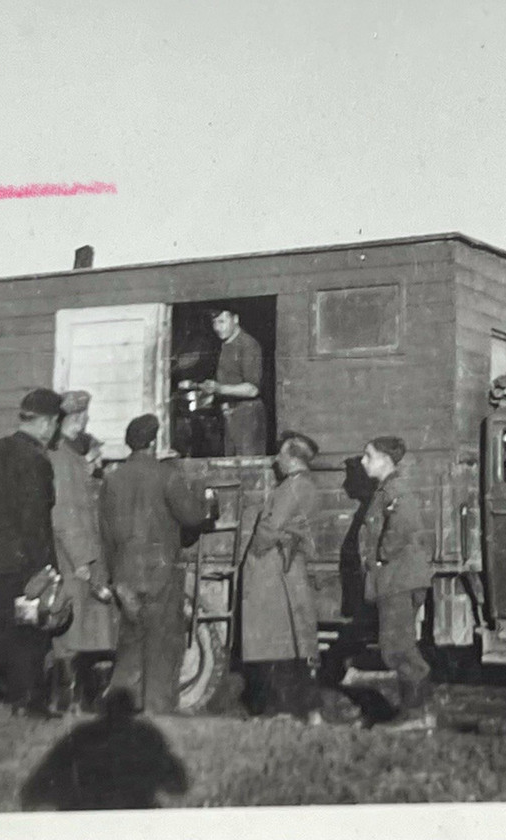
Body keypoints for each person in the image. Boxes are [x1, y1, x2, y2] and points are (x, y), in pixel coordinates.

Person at [101, 414, 208, 715]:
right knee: (161, 642)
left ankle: (121, 709)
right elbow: (192, 517)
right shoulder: (166, 475)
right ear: (153, 442)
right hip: (161, 573)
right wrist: (201, 494)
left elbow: (105, 533)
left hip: (125, 574)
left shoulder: (112, 479)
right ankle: (158, 710)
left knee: (131, 643)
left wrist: (114, 577)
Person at [0, 387, 64, 719]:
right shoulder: (36, 461)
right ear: (46, 423)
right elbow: (35, 519)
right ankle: (29, 701)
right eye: (54, 424)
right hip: (26, 561)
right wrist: (45, 567)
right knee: (28, 632)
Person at [353, 435, 436, 731]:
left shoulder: (396, 489)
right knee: (399, 645)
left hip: (398, 578)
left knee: (397, 647)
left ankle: (415, 716)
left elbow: (402, 526)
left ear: (385, 460)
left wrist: (379, 557)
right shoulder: (386, 490)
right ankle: (419, 713)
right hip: (395, 577)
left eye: (368, 455)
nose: (363, 462)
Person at [239, 431, 324, 724]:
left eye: (281, 455)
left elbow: (268, 528)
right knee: (292, 643)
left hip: (274, 572)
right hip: (287, 569)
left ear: (292, 458)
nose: (276, 460)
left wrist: (259, 539)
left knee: (276, 643)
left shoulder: (292, 488)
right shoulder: (306, 486)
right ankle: (304, 710)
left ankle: (282, 710)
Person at [48, 390, 118, 712]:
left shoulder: (75, 456)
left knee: (90, 632)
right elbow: (63, 515)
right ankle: (69, 702)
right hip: (76, 560)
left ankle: (86, 702)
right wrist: (81, 562)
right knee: (72, 632)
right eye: (78, 418)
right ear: (67, 420)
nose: (82, 423)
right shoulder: (61, 460)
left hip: (88, 556)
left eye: (83, 418)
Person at [181, 306, 266, 456]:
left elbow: (252, 389)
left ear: (236, 319)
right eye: (214, 323)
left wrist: (218, 388)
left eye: (222, 321)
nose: (217, 328)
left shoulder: (248, 345)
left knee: (247, 467)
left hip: (247, 415)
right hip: (229, 414)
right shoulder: (224, 345)